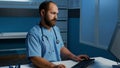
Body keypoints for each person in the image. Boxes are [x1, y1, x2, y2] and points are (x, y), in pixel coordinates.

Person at [26, 1, 89, 68]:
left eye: (57, 14)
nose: (56, 17)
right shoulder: (33, 34)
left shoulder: (56, 29)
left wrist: (74, 57)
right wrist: (52, 66)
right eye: (53, 13)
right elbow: (35, 58)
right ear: (43, 13)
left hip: (57, 65)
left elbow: (61, 48)